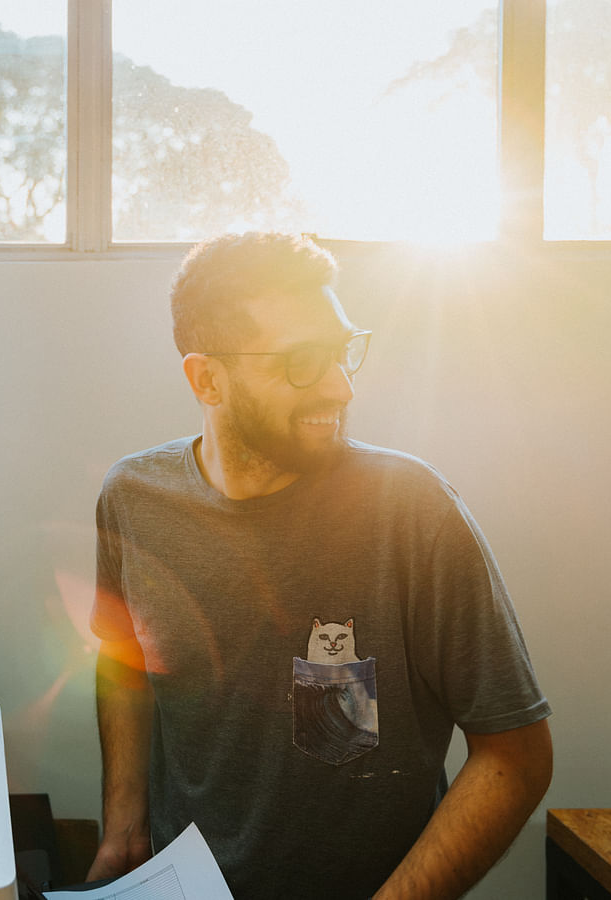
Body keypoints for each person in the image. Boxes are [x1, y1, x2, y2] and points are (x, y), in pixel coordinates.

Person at [87, 232, 552, 899]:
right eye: (303, 362)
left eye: (341, 354)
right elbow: (124, 659)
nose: (340, 387)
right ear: (207, 378)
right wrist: (124, 828)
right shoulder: (134, 499)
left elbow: (517, 756)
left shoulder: (410, 510)